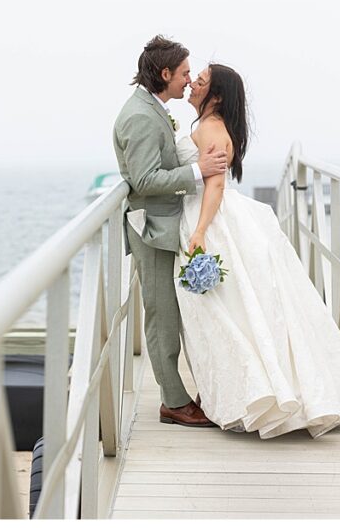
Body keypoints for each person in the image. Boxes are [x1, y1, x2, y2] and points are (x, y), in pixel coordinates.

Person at [175, 63, 340, 437]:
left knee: (224, 312)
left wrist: (200, 232)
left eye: (200, 82)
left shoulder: (209, 127)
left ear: (215, 96)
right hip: (214, 216)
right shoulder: (213, 126)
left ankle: (253, 393)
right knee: (238, 309)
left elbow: (215, 186)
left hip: (210, 221)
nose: (192, 86)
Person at [112, 35, 229, 428]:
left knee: (171, 313)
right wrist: (199, 171)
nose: (188, 79)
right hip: (152, 230)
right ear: (165, 74)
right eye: (183, 73)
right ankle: (174, 402)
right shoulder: (142, 117)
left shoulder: (153, 109)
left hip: (165, 226)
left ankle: (181, 394)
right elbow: (144, 180)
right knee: (161, 317)